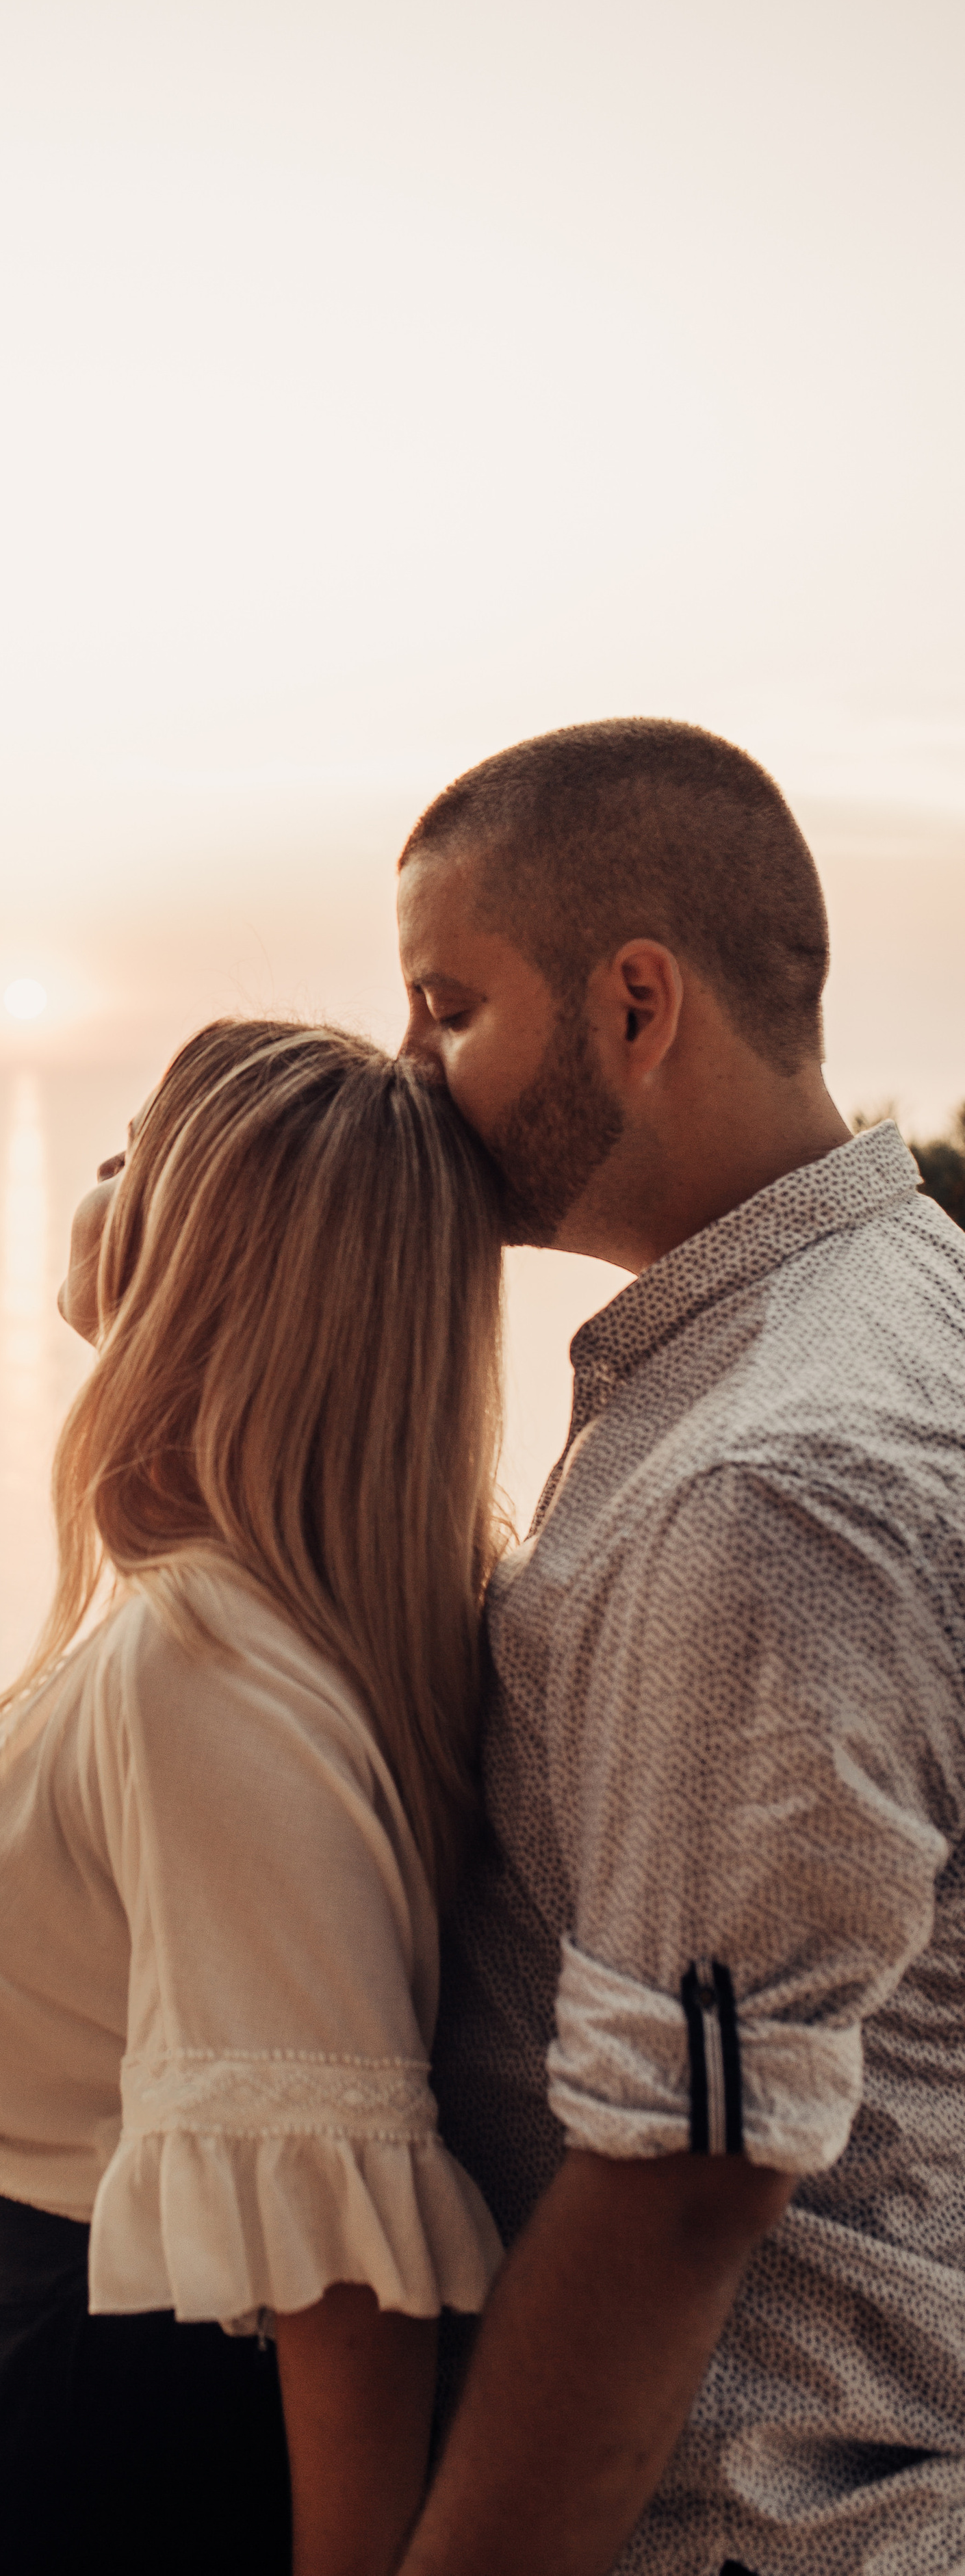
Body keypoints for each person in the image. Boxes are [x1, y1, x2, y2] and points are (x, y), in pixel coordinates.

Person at [389, 716, 965, 2576]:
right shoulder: (895, 1306)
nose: (410, 1069)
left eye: (447, 1007)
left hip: (742, 2524)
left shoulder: (766, 1485)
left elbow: (681, 2180)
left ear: (635, 1004)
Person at [0, 1018, 509, 2576]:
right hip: (65, 2361)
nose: (95, 1172)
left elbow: (345, 2284)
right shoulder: (262, 1607)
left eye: (134, 1152)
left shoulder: (207, 1663)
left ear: (215, 1257)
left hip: (111, 2413)